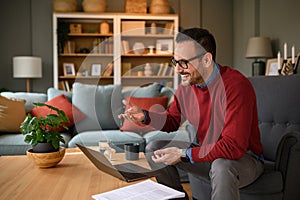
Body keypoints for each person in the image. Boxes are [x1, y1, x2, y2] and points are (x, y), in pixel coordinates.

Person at [118, 28, 264, 200]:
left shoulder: (235, 86)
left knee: (221, 166)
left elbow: (232, 147)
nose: (178, 69)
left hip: (243, 159)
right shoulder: (187, 88)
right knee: (154, 148)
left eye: (184, 62)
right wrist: (144, 115)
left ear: (207, 59)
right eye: (175, 61)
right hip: (208, 154)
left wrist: (182, 154)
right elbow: (172, 120)